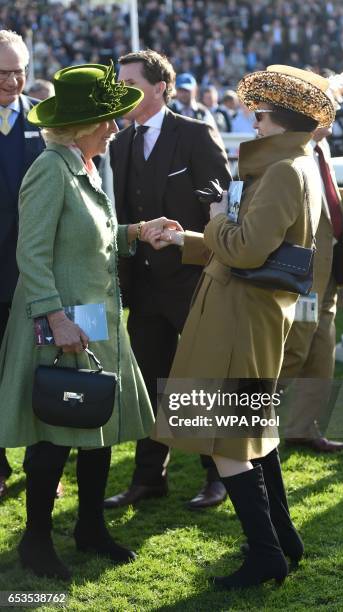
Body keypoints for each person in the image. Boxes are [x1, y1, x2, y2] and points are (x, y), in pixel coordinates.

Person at [143, 66, 335, 590]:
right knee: (253, 435)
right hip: (249, 315)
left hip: (240, 319)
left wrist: (210, 219)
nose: (253, 122)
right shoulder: (294, 165)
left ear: (279, 120)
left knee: (227, 442)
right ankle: (283, 541)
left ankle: (266, 555)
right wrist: (186, 239)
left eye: (261, 115)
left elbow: (246, 248)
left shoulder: (281, 171)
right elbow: (255, 249)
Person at [0, 62, 162, 580]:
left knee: (97, 424)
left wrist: (137, 232)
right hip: (60, 322)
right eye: (108, 120)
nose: (115, 128)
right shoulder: (51, 168)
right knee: (53, 435)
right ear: (82, 127)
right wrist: (54, 317)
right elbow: (33, 252)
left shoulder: (86, 166)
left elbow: (94, 238)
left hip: (94, 318)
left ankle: (91, 528)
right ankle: (36, 542)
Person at [104, 50, 231, 511]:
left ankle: (217, 475)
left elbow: (223, 213)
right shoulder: (117, 145)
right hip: (143, 287)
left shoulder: (195, 135)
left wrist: (189, 243)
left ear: (160, 87)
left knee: (201, 379)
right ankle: (148, 477)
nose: (123, 92)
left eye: (131, 83)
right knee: (150, 382)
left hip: (194, 282)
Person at [282, 123, 343, 452]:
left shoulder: (320, 149)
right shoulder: (290, 152)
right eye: (326, 109)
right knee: (292, 353)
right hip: (302, 274)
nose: (332, 117)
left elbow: (320, 209)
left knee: (321, 353)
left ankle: (303, 428)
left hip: (328, 270)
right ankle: (242, 422)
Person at [0, 30, 45, 500]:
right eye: (4, 73)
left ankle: (41, 469)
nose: (15, 81)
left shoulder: (44, 118)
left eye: (21, 71)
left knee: (38, 373)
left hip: (34, 275)